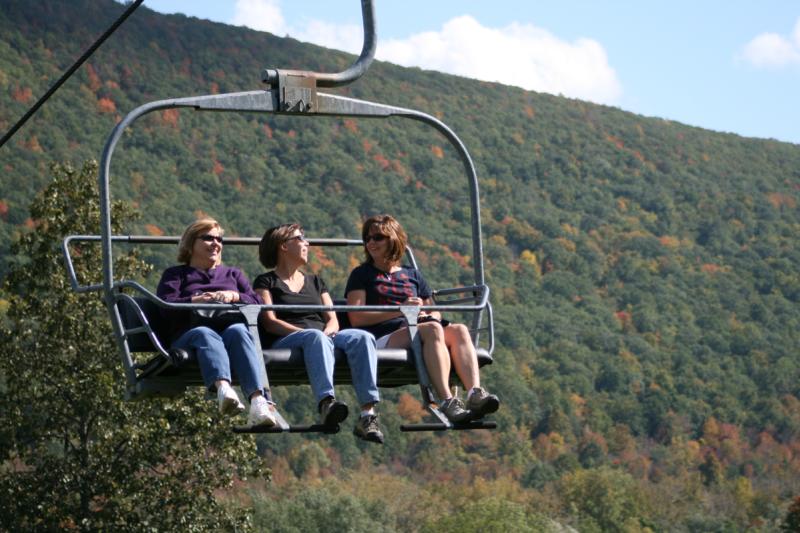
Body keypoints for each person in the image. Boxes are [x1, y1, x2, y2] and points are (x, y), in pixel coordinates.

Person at [345, 214, 499, 423]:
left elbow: (433, 310)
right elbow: (356, 318)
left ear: (393, 239)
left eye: (378, 237)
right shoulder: (361, 274)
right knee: (431, 330)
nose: (371, 242)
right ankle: (447, 400)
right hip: (384, 336)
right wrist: (401, 310)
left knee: (460, 329)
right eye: (368, 238)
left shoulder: (412, 274)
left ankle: (474, 393)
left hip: (419, 328)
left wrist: (427, 315)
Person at [254, 223, 384, 443]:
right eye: (300, 239)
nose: (307, 243)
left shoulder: (315, 281)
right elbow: (270, 322)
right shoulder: (266, 281)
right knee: (314, 337)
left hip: (322, 336)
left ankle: (367, 414)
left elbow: (331, 318)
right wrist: (310, 335)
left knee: (363, 338)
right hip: (286, 339)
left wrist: (328, 334)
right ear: (283, 246)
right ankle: (326, 403)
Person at [156, 217, 277, 427]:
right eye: (208, 238)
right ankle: (223, 389)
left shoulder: (233, 275)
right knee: (205, 333)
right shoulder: (176, 275)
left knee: (239, 330)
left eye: (219, 239)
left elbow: (258, 304)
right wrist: (194, 300)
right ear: (191, 243)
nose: (216, 243)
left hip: (227, 332)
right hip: (189, 336)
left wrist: (235, 296)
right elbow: (165, 306)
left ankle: (258, 401)